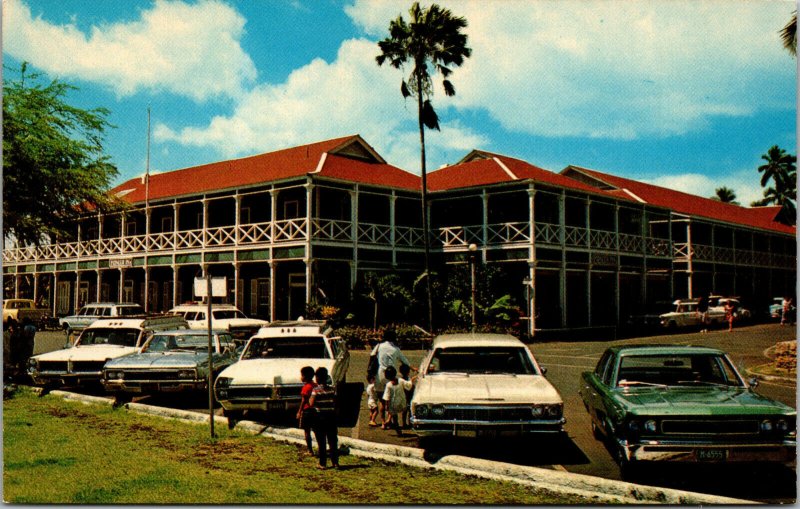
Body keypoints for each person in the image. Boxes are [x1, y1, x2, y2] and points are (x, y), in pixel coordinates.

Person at [370, 327, 417, 425]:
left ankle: (383, 422)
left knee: (382, 400)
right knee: (391, 399)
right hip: (391, 375)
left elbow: (372, 356)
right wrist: (413, 368)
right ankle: (392, 420)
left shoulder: (379, 346)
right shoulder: (396, 349)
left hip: (380, 374)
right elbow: (405, 361)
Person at [308, 366, 339, 470]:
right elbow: (335, 402)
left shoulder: (315, 390)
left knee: (321, 442)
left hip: (320, 417)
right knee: (333, 441)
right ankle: (335, 462)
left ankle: (323, 463)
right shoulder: (332, 389)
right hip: (331, 416)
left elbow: (311, 403)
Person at [381, 365, 414, 435]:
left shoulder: (388, 385)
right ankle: (406, 423)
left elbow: (387, 397)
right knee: (406, 410)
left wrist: (387, 406)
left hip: (393, 405)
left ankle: (397, 430)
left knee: (395, 418)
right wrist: (411, 380)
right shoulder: (401, 381)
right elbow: (409, 386)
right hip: (402, 402)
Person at [296, 366, 317, 457]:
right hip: (315, 411)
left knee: (307, 431)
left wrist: (299, 411)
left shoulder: (306, 388)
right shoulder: (315, 385)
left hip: (307, 410)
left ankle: (310, 450)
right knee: (316, 430)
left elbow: (304, 400)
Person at [398, 363, 414, 429]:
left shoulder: (400, 379)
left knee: (405, 411)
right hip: (408, 397)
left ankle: (404, 423)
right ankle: (409, 423)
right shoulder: (407, 380)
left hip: (403, 397)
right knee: (409, 411)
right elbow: (409, 386)